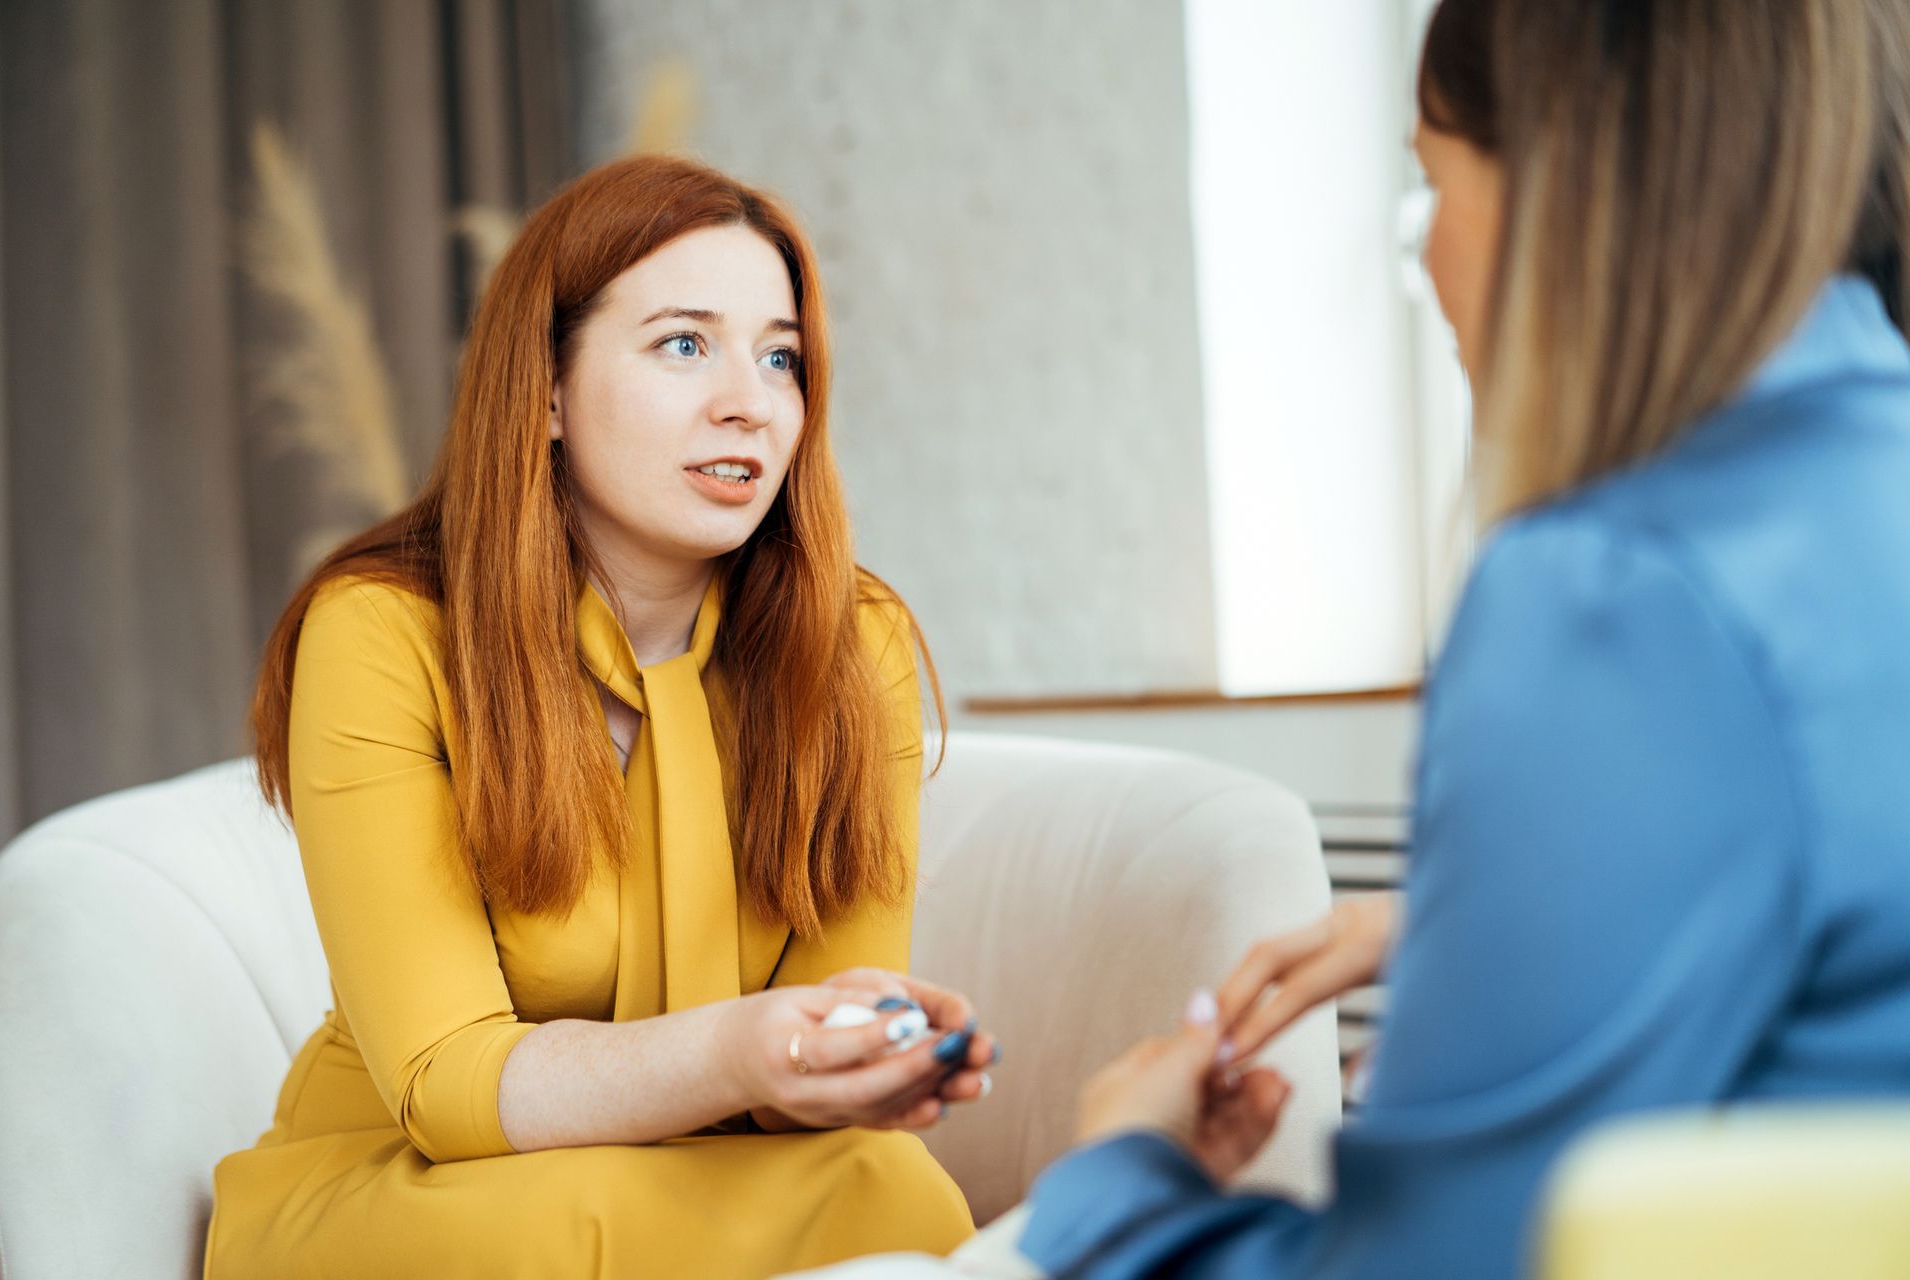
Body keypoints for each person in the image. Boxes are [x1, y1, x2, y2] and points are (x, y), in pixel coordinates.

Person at [1017, 1, 1910, 1276]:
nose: (1431, 260)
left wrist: (1113, 1181)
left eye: (1432, 183)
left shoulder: (1618, 592)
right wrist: (1477, 924)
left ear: (1571, 184)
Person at [206, 154, 994, 1278]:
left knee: (889, 1182)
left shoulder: (851, 644)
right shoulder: (382, 630)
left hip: (707, 1167)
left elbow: (806, 1087)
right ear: (546, 393)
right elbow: (448, 1083)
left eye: (782, 356)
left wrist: (851, 1052)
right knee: (561, 1227)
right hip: (421, 1179)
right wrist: (743, 1048)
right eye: (685, 343)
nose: (749, 399)